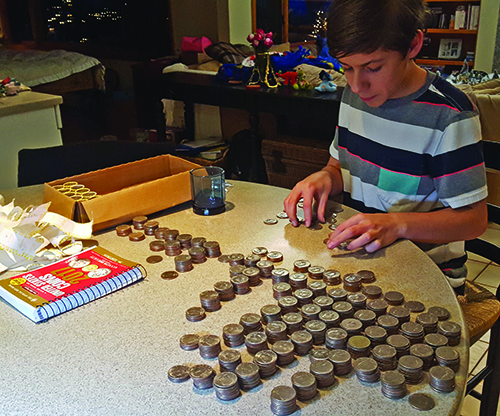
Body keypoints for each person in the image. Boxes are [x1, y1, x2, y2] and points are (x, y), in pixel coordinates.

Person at [283, 0, 488, 295]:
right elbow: (340, 167)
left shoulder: (450, 115)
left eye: (373, 67)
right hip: (362, 265)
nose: (356, 85)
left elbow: (473, 220)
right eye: (346, 68)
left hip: (427, 278)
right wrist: (324, 177)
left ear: (413, 44)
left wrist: (396, 224)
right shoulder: (354, 97)